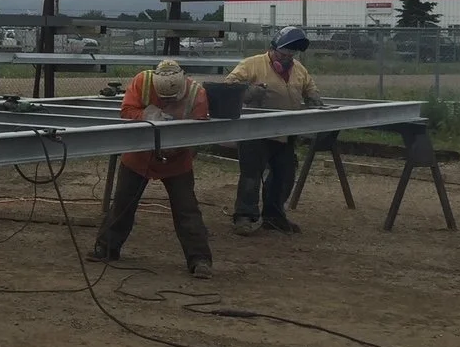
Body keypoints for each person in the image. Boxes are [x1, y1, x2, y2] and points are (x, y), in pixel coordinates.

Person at [89, 58, 213, 278]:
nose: (167, 101)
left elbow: (198, 132)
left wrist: (175, 148)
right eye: (163, 98)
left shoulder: (197, 94)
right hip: (140, 155)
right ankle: (107, 247)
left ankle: (199, 259)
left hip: (177, 159)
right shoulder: (142, 82)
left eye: (171, 98)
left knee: (187, 209)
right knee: (123, 204)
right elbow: (126, 111)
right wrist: (148, 115)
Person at [226, 25, 322, 235]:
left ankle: (274, 215)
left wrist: (315, 99)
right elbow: (228, 87)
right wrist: (249, 92)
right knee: (251, 174)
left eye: (292, 52)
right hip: (255, 130)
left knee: (285, 175)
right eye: (284, 51)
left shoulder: (299, 69)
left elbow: (309, 88)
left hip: (285, 132)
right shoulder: (251, 65)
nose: (287, 56)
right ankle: (244, 216)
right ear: (274, 48)